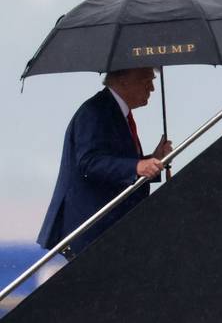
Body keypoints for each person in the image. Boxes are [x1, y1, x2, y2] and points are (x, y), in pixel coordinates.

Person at [36, 68, 172, 259]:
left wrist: (153, 160)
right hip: (91, 231)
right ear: (124, 81)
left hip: (109, 231)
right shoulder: (95, 112)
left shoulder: (114, 112)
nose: (151, 88)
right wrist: (137, 167)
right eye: (145, 80)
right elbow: (88, 163)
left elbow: (113, 164)